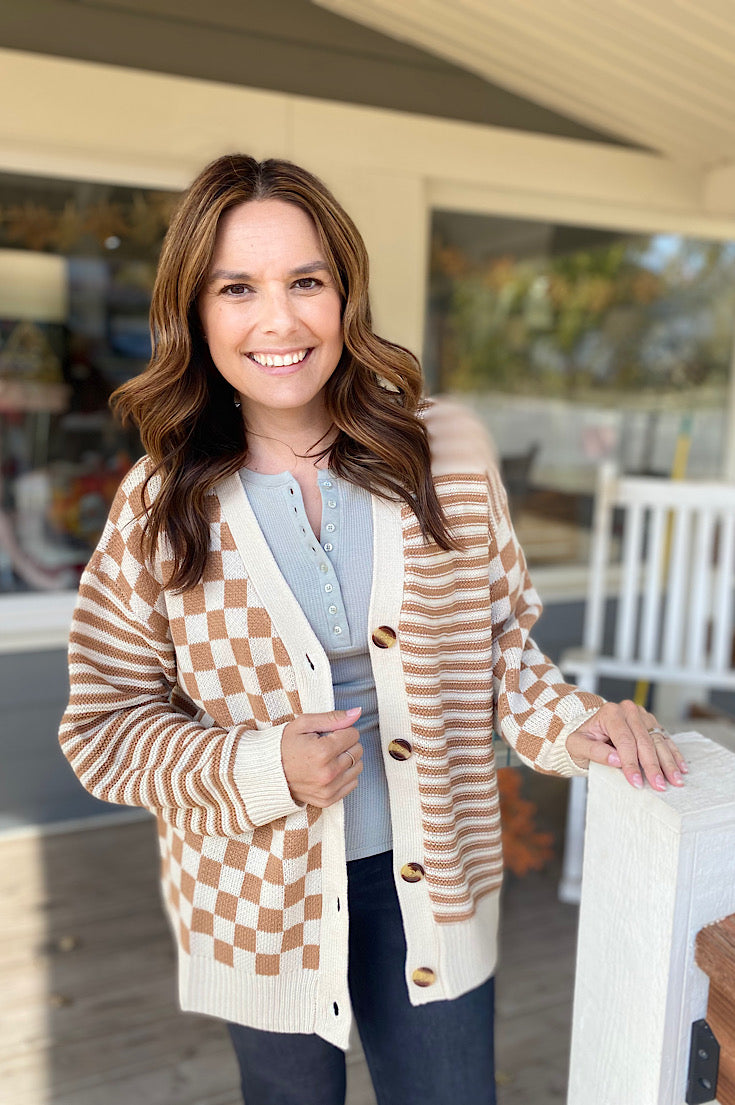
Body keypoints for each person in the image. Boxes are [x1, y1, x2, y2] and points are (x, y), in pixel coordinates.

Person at [58, 153, 688, 1105]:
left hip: (435, 888)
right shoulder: (158, 502)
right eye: (237, 288)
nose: (279, 320)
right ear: (194, 312)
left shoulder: (441, 457)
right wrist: (259, 765)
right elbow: (102, 730)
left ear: (344, 296)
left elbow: (498, 652)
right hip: (255, 907)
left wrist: (572, 723)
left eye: (306, 281)